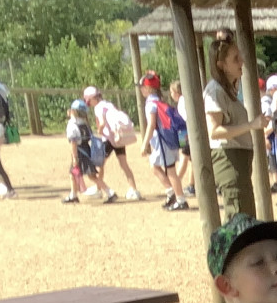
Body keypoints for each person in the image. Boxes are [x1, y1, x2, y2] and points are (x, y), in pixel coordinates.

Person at [202, 34, 267, 220]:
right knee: (237, 218)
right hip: (228, 159)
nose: (241, 62)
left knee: (244, 216)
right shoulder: (215, 91)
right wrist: (251, 125)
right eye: (235, 58)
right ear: (221, 65)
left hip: (238, 159)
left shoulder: (227, 90)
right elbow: (214, 131)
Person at [138, 71, 188, 211]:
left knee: (170, 171)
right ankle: (171, 192)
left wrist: (144, 144)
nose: (141, 90)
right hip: (165, 140)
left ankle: (180, 199)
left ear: (148, 88)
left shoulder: (151, 104)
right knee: (154, 166)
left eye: (142, 87)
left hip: (163, 141)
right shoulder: (158, 100)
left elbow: (151, 125)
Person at [84, 86, 141, 201]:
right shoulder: (108, 104)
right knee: (124, 165)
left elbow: (102, 123)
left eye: (89, 101)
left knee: (99, 164)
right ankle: (134, 190)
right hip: (118, 138)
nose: (89, 103)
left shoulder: (98, 108)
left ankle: (99, 189)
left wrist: (99, 131)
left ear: (93, 99)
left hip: (108, 140)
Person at [61, 98, 112, 204]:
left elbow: (73, 143)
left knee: (90, 176)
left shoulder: (72, 125)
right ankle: (73, 195)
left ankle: (110, 193)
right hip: (87, 151)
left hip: (79, 153)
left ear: (73, 111)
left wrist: (75, 158)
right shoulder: (84, 124)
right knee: (75, 174)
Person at [169, 79, 196, 196]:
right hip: (188, 132)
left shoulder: (181, 102)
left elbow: (186, 119)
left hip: (186, 132)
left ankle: (176, 184)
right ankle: (191, 185)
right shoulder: (186, 99)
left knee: (184, 157)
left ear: (176, 92)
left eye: (171, 92)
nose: (171, 94)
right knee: (192, 160)